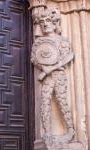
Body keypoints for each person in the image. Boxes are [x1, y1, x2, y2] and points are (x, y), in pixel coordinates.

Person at [31, 7, 75, 146]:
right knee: (45, 101)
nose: (45, 24)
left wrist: (54, 67)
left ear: (55, 23)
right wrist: (44, 68)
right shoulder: (39, 43)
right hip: (47, 77)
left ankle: (71, 131)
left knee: (62, 101)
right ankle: (47, 133)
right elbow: (34, 58)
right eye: (42, 21)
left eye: (48, 20)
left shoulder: (63, 41)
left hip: (59, 75)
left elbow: (68, 56)